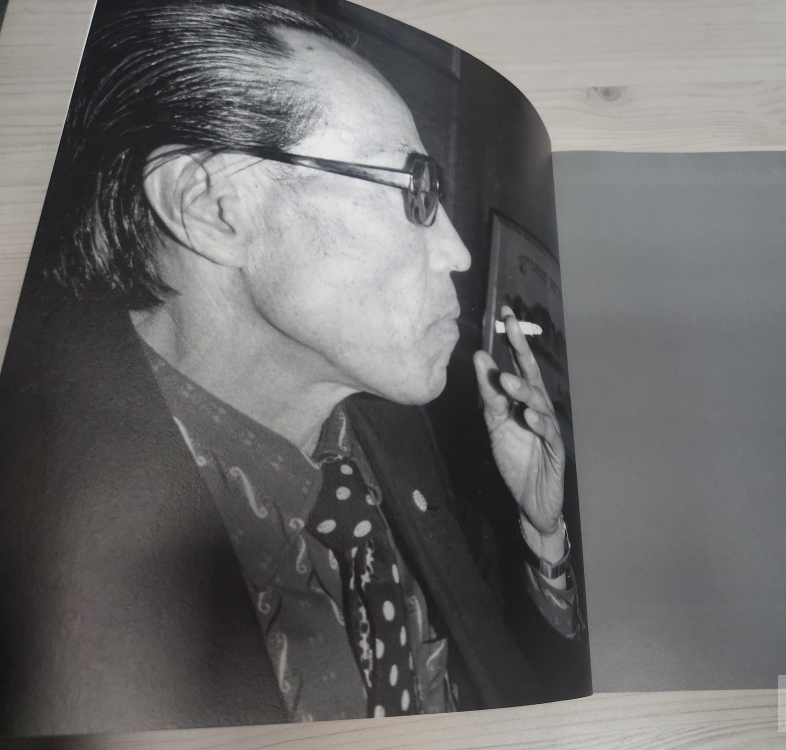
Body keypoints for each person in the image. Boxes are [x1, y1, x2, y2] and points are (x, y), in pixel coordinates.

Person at [0, 0, 581, 736]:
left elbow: (500, 670)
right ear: (209, 206)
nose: (458, 253)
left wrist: (544, 532)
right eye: (414, 190)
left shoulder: (398, 431)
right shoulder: (47, 555)